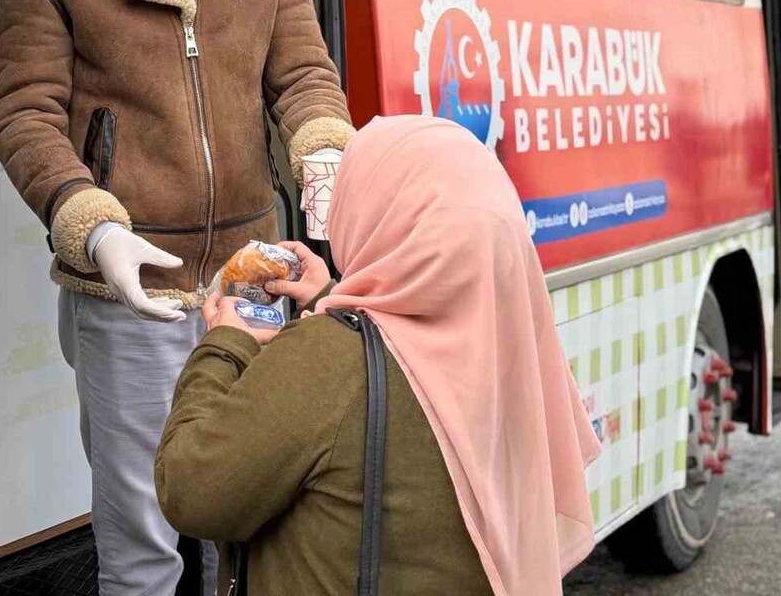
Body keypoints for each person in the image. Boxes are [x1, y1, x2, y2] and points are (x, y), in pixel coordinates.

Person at [0, 0, 355, 595]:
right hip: (132, 287)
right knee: (143, 540)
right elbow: (24, 114)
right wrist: (92, 226)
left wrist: (325, 154)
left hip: (254, 273)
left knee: (256, 517)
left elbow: (304, 76)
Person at [155, 115, 601, 596]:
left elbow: (193, 492)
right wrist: (331, 295)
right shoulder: (512, 353)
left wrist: (224, 344)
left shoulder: (329, 357)